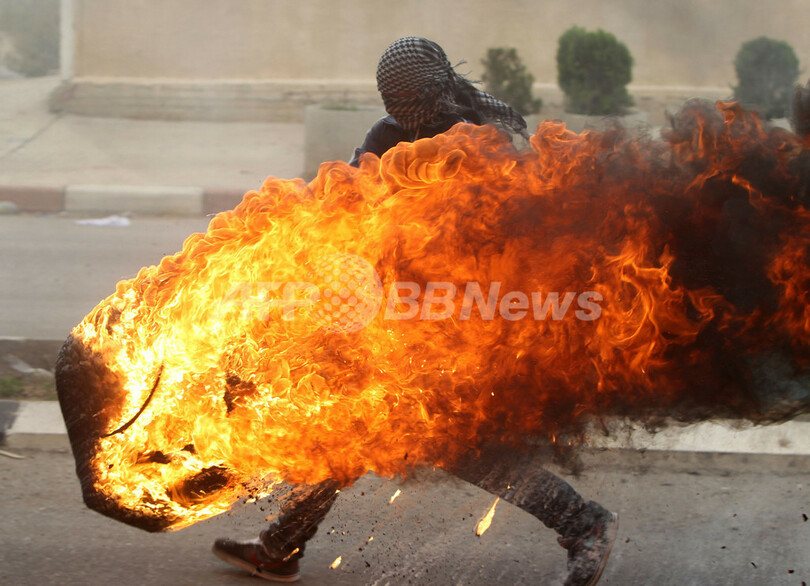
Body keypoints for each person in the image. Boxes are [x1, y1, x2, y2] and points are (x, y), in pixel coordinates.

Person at [212, 37, 618, 586]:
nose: (404, 114)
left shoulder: (487, 135)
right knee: (350, 423)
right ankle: (278, 546)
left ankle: (583, 522)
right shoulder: (387, 136)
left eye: (410, 101)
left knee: (451, 441)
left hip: (471, 317)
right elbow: (347, 203)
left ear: (436, 88)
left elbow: (517, 234)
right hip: (399, 312)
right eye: (394, 103)